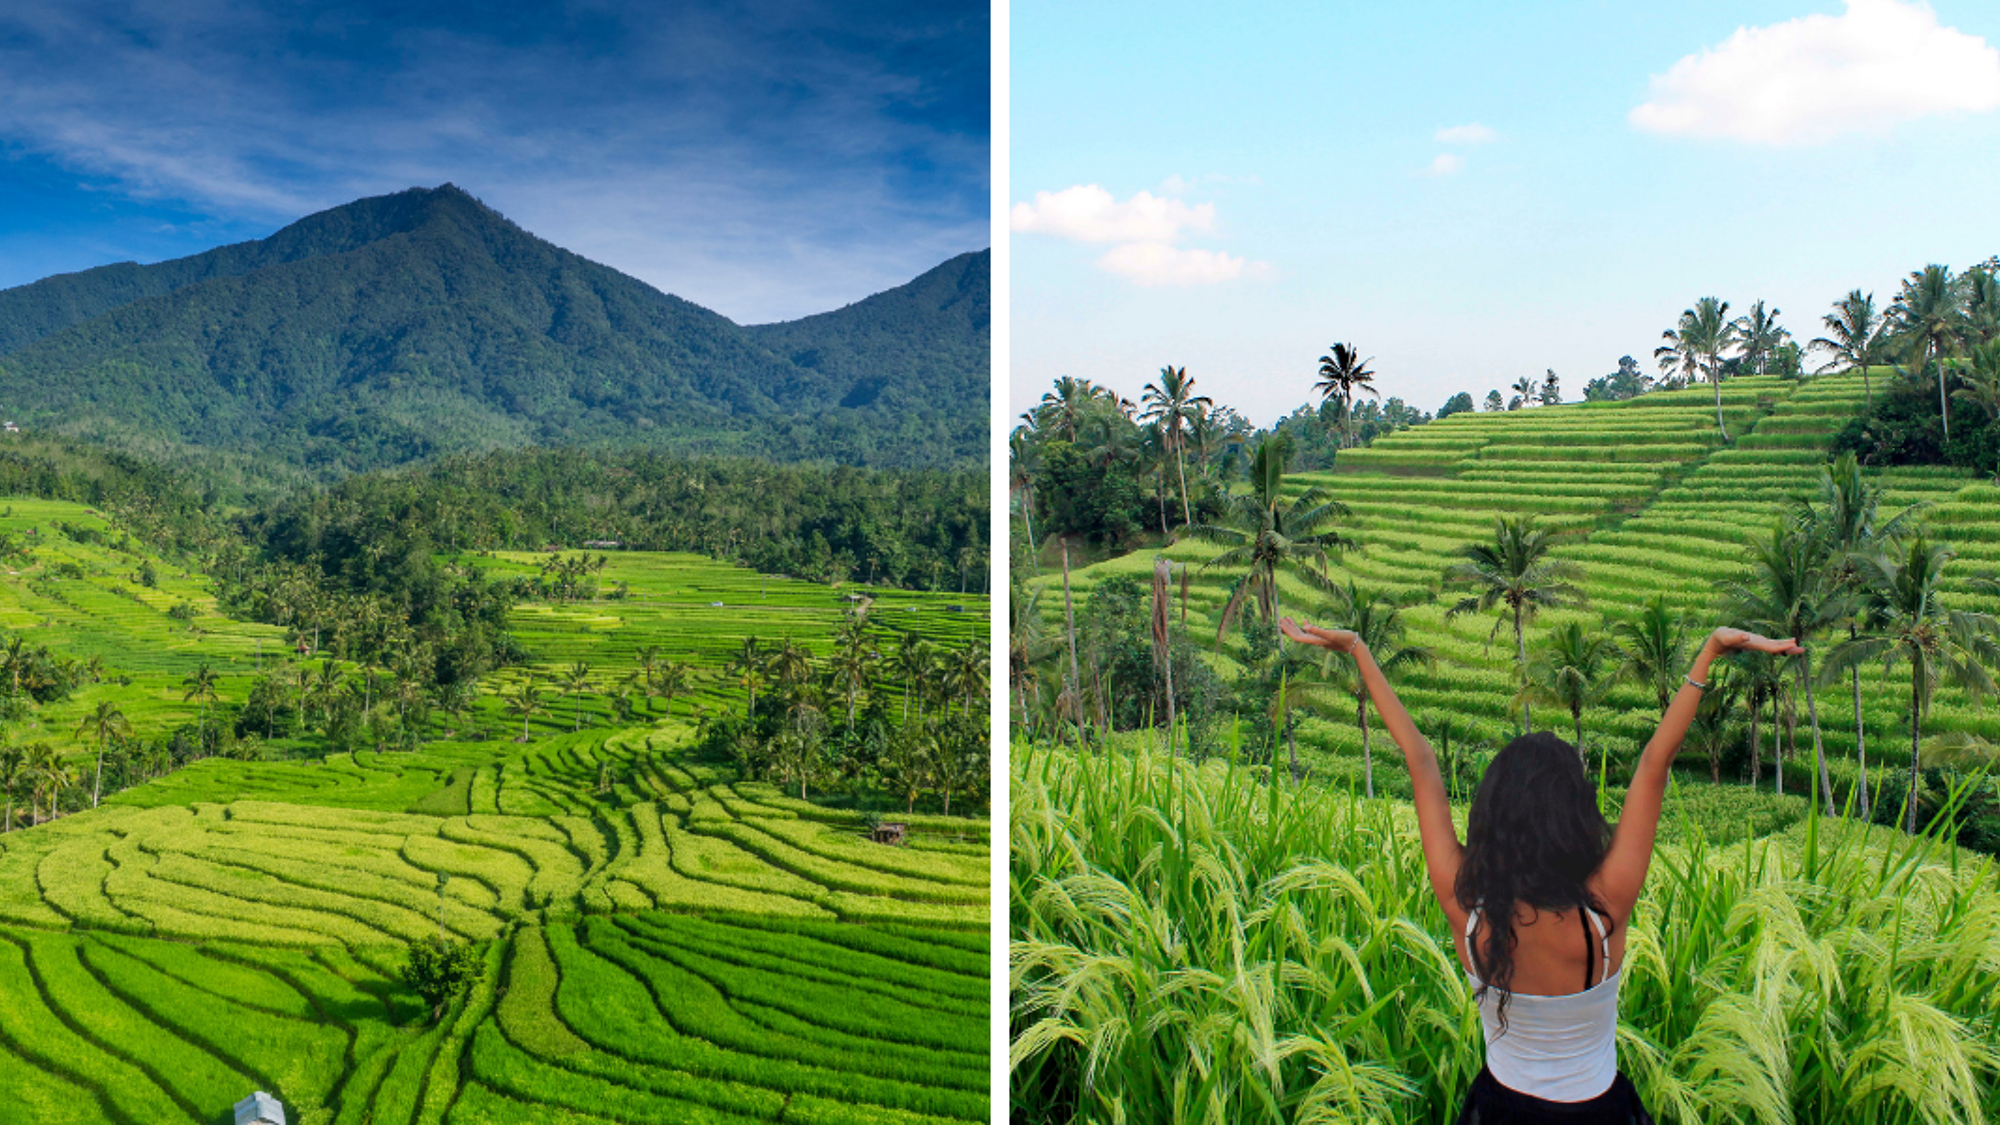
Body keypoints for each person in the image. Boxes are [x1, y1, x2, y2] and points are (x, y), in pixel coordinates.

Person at [1278, 617, 1802, 1124]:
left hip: (1498, 1109)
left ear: (1491, 814)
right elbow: (1653, 765)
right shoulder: (1604, 908)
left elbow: (1420, 761)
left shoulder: (1466, 906)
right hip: (1598, 1112)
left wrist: (1358, 650)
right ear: (1574, 814)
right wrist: (1709, 652)